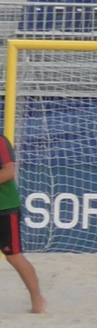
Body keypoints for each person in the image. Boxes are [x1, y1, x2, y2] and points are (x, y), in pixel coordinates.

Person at [0, 134, 46, 313]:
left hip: (5, 207)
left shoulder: (1, 141)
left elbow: (9, 171)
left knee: (14, 256)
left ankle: (37, 300)